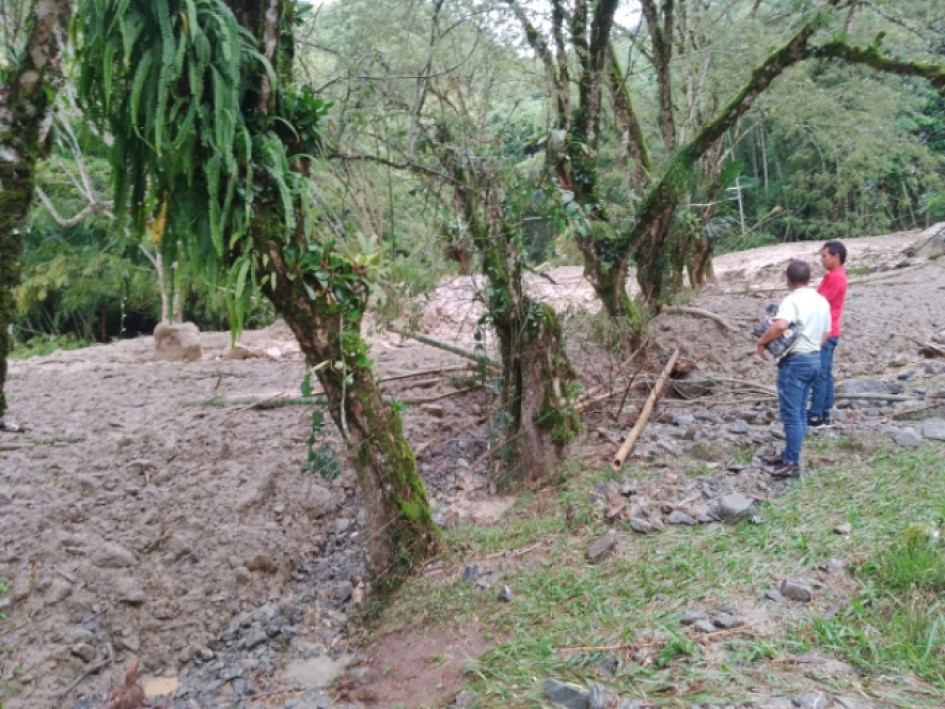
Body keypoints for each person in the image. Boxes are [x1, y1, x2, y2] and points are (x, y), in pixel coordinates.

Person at [756, 260, 830, 478]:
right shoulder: (821, 301)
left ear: (788, 279)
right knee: (800, 411)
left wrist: (762, 341)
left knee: (791, 414)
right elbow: (826, 333)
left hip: (796, 362)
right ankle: (791, 453)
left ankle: (791, 463)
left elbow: (780, 325)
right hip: (815, 358)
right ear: (809, 279)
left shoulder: (791, 300)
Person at [807, 240, 847, 427]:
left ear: (835, 257)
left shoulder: (834, 278)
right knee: (826, 372)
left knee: (820, 374)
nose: (821, 260)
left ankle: (816, 415)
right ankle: (825, 411)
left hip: (826, 331)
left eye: (824, 256)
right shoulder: (837, 275)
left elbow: (818, 303)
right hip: (832, 329)